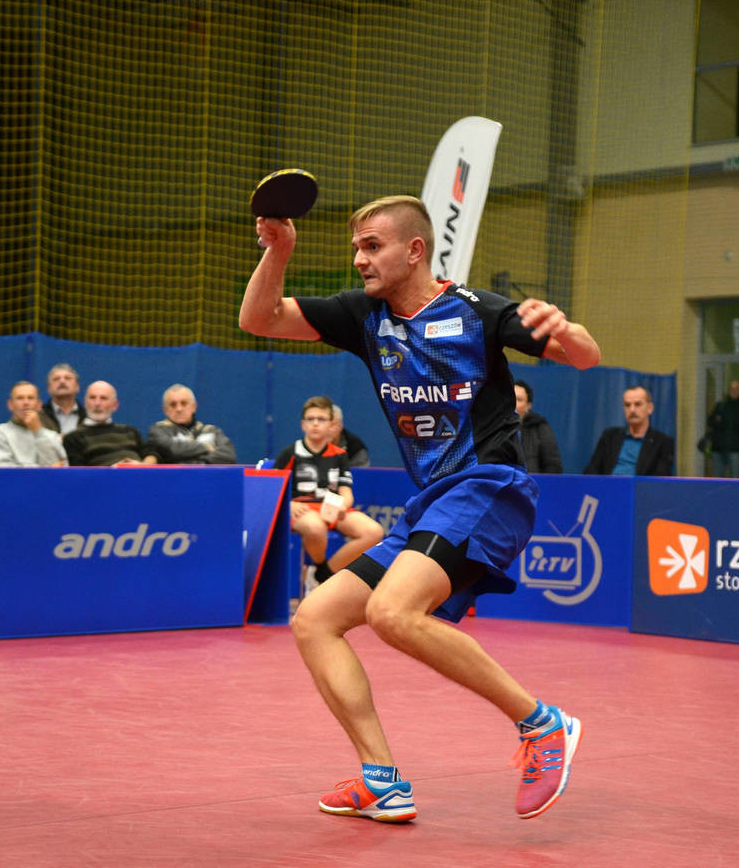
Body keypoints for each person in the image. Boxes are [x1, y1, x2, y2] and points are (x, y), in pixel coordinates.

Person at [239, 194, 600, 824]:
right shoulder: (364, 316)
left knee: (391, 612)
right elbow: (259, 319)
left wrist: (565, 330)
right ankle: (382, 779)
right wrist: (280, 249)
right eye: (356, 247)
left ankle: (542, 724)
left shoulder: (478, 312)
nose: (359, 259)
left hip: (489, 489)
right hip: (430, 504)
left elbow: (587, 356)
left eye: (372, 246)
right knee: (315, 619)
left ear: (414, 251)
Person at [272, 396, 386, 596]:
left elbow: (346, 493)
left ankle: (322, 573)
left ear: (332, 425)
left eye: (321, 419)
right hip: (301, 509)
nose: (315, 424)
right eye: (311, 419)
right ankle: (321, 568)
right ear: (303, 424)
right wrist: (288, 504)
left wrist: (343, 506)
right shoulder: (290, 453)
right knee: (315, 527)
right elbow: (272, 488)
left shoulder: (340, 454)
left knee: (374, 532)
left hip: (332, 508)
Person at [61, 381, 159, 467]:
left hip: (138, 475)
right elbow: (79, 473)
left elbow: (151, 454)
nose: (97, 403)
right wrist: (112, 471)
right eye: (92, 398)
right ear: (85, 403)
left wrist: (143, 466)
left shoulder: (130, 431)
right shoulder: (73, 438)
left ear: (115, 405)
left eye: (103, 398)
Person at [584, 386, 675, 476]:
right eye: (627, 405)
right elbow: (591, 470)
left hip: (639, 485)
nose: (632, 410)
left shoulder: (663, 442)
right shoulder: (609, 436)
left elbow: (660, 477)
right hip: (609, 484)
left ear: (650, 408)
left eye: (638, 404)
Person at [146, 384, 237, 464]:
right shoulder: (158, 431)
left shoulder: (212, 431)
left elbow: (229, 456)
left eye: (184, 403)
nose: (179, 409)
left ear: (194, 406)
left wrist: (198, 462)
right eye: (173, 405)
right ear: (165, 410)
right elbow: (172, 450)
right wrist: (206, 447)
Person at [0, 381, 68, 467]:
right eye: (20, 398)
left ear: (39, 405)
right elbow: (3, 469)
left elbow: (58, 468)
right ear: (10, 405)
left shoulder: (52, 436)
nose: (25, 403)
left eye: (30, 398)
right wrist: (43, 469)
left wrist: (38, 432)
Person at [513, 379, 563, 474]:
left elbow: (553, 466)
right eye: (511, 397)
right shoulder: (495, 427)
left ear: (528, 406)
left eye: (519, 399)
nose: (513, 403)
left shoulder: (540, 428)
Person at [705, 380, 739, 478]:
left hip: (735, 449)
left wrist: (721, 419)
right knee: (717, 481)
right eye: (732, 389)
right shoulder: (720, 405)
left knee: (736, 480)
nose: (734, 391)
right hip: (718, 448)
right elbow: (710, 421)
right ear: (729, 390)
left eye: (737, 389)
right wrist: (721, 420)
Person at [40, 363, 88, 435]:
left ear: (77, 386)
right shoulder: (39, 416)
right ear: (49, 388)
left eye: (67, 378)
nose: (62, 381)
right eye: (56, 379)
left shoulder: (89, 416)